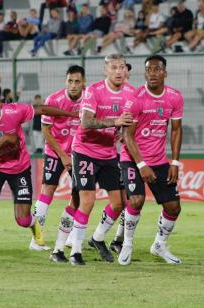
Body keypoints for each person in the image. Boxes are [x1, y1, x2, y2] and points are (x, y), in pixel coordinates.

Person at [0, 82, 78, 261]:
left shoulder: (14, 111)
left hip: (19, 168)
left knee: (23, 220)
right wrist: (4, 141)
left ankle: (35, 228)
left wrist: (72, 114)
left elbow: (42, 109)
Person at [67, 54, 134, 265]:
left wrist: (124, 134)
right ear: (106, 71)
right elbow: (86, 122)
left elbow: (127, 124)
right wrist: (115, 121)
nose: (118, 71)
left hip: (108, 154)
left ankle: (97, 237)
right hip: (85, 151)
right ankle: (75, 251)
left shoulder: (131, 93)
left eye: (121, 67)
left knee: (119, 202)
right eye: (113, 67)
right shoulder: (93, 91)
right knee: (87, 200)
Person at [118, 55, 184, 265]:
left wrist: (174, 162)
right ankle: (127, 244)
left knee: (173, 207)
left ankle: (159, 245)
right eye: (148, 70)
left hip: (159, 160)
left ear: (165, 72)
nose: (152, 73)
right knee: (136, 200)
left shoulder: (174, 97)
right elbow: (127, 136)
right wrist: (141, 165)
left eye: (157, 69)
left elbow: (176, 130)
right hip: (132, 158)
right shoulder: (136, 98)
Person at [28, 65, 84, 258]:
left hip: (79, 154)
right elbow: (46, 131)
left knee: (80, 195)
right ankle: (36, 239)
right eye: (70, 81)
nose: (73, 85)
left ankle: (70, 236)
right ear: (65, 81)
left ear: (83, 82)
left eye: (77, 81)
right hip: (55, 152)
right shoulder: (54, 100)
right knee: (47, 192)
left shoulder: (89, 100)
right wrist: (62, 155)